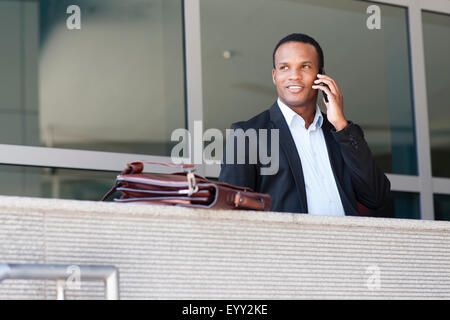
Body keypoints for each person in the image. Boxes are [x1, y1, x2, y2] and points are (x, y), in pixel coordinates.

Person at [219, 33, 390, 216]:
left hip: (348, 243)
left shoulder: (341, 133)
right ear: (275, 76)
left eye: (305, 66)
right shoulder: (247, 134)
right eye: (284, 67)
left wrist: (341, 126)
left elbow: (376, 197)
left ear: (320, 75)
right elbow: (231, 211)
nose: (294, 76)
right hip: (288, 244)